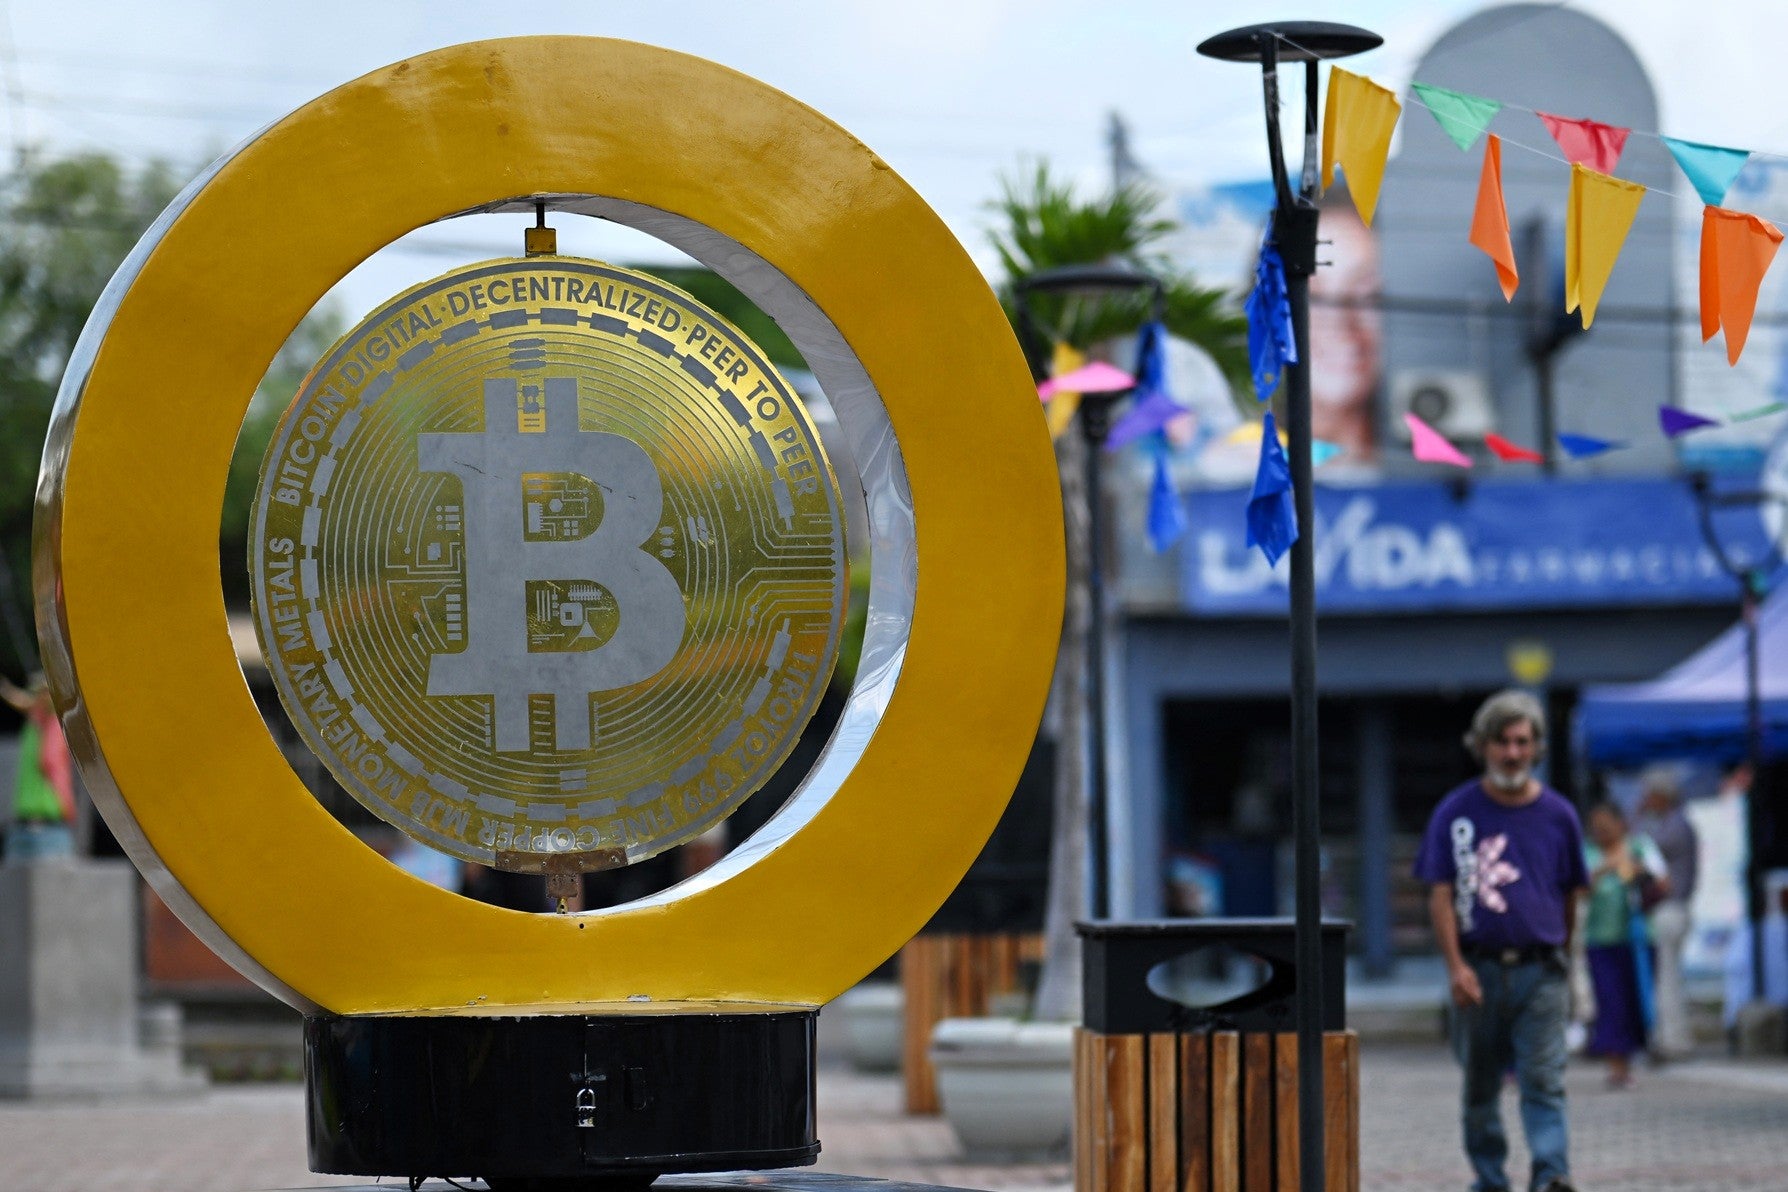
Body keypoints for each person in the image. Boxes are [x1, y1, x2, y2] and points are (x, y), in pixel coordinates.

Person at [1415, 689, 1587, 1192]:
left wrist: (1564, 958)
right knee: (1480, 1086)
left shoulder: (1560, 815)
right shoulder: (1456, 811)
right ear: (1482, 746)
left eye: (1522, 742)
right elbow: (1440, 894)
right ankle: (1490, 1178)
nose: (1512, 753)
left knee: (1544, 1081)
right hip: (1477, 970)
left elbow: (1572, 893)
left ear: (1537, 748)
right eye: (1501, 742)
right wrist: (1454, 967)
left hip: (1542, 970)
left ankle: (1551, 1175)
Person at [1581, 802, 1665, 1088]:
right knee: (1611, 1001)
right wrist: (1606, 868)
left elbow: (1663, 882)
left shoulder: (1640, 847)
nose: (1601, 833)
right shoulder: (1589, 853)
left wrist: (1636, 870)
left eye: (1606, 827)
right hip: (1601, 940)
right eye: (1596, 829)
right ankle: (1616, 1065)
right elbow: (1578, 889)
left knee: (1636, 1000)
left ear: (1621, 824)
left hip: (1639, 940)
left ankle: (1634, 1055)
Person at [1633, 769, 1698, 1058]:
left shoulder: (1674, 825)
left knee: (1667, 978)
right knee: (1668, 977)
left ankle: (1674, 1040)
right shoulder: (1677, 823)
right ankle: (1672, 1035)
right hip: (1672, 909)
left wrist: (1638, 814)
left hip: (1671, 907)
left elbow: (1639, 845)